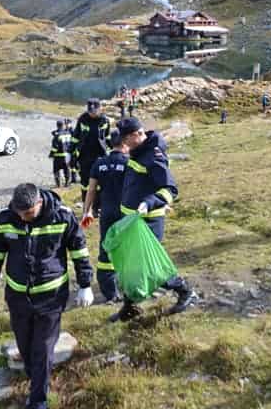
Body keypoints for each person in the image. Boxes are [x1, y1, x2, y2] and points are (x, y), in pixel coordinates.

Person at [0, 184, 93, 409]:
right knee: (25, 345)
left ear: (39, 203)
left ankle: (38, 403)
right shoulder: (4, 220)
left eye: (28, 213)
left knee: (42, 348)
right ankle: (36, 380)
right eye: (20, 213)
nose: (23, 218)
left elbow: (79, 250)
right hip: (18, 297)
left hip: (51, 297)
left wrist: (85, 284)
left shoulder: (62, 216)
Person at [108, 117, 195, 322]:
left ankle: (185, 291)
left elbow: (170, 189)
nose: (124, 144)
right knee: (131, 265)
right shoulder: (138, 151)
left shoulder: (153, 156)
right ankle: (130, 308)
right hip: (132, 220)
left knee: (149, 267)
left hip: (148, 221)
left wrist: (149, 202)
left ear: (138, 134)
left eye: (126, 139)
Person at [80, 129, 128, 303]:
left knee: (106, 248)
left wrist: (87, 211)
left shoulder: (99, 163)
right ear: (124, 144)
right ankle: (127, 286)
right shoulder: (130, 163)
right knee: (127, 246)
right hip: (125, 213)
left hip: (107, 213)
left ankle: (109, 291)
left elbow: (91, 189)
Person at [73, 98, 112, 208]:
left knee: (100, 183)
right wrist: (69, 153)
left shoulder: (104, 120)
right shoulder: (82, 119)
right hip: (84, 156)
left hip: (100, 155)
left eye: (94, 112)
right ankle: (86, 207)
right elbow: (75, 137)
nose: (92, 114)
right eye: (90, 112)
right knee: (85, 182)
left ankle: (97, 207)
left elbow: (107, 137)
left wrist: (114, 150)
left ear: (99, 109)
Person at [49, 120, 73, 188]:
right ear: (63, 125)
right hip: (67, 156)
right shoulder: (68, 133)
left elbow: (55, 147)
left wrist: (51, 154)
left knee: (56, 171)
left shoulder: (57, 135)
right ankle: (67, 183)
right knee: (67, 170)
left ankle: (58, 184)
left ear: (57, 125)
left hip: (58, 156)